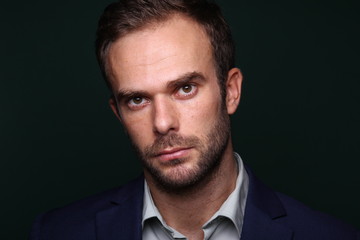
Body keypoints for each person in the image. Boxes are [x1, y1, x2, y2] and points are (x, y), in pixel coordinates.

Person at [29, 0, 359, 239]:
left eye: (185, 89)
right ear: (118, 113)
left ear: (230, 91)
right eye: (137, 99)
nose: (162, 123)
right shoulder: (57, 232)